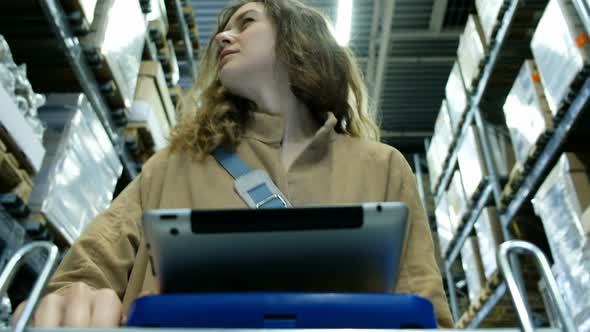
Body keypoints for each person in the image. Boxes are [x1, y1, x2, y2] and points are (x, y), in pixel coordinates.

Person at [12, 0, 453, 328]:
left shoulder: (382, 167)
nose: (223, 36)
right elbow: (93, 262)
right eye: (223, 28)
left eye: (247, 22)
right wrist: (75, 297)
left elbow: (425, 307)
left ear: (302, 38)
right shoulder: (172, 167)